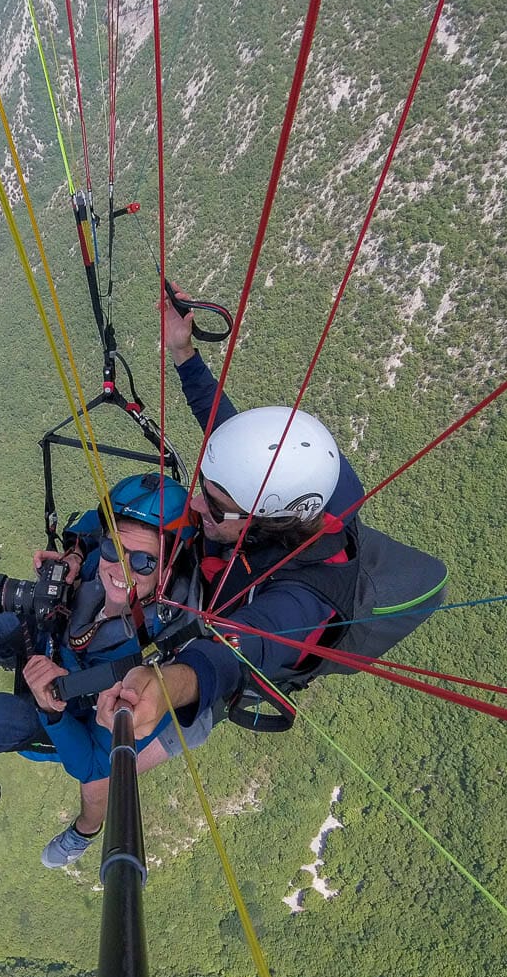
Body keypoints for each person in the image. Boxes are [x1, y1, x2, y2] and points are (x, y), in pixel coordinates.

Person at [101, 294, 448, 741]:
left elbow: (247, 643)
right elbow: (223, 426)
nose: (198, 504)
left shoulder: (305, 599)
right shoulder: (273, 493)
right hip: (235, 567)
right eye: (204, 485)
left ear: (264, 518)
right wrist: (182, 350)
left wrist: (171, 685)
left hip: (254, 617)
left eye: (215, 503)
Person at [0, 473, 214, 868]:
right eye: (115, 548)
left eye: (143, 562)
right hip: (51, 638)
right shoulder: (105, 561)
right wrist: (75, 557)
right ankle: (1, 652)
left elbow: (94, 766)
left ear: (169, 566)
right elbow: (88, 528)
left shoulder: (160, 652)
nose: (120, 569)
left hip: (60, 710)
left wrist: (52, 711)